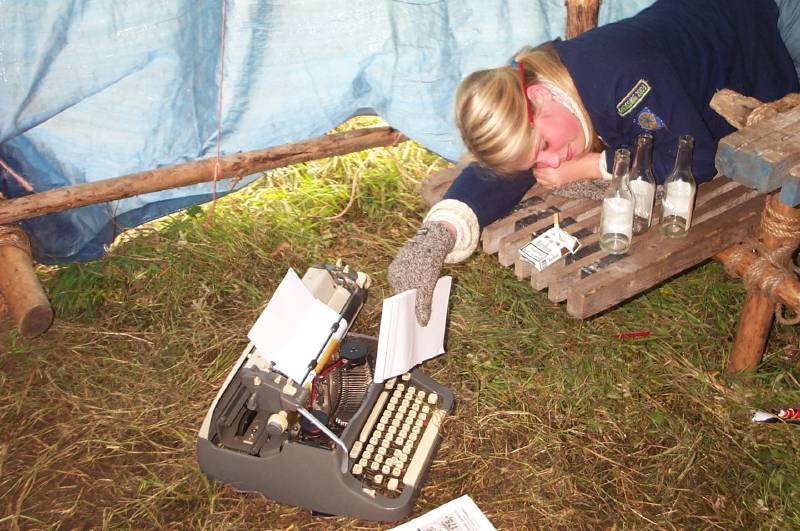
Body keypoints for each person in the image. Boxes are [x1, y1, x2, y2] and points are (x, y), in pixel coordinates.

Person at [388, 0, 800, 326]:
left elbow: (695, 157)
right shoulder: (537, 81)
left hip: (771, 25)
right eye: (538, 157)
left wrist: (593, 166)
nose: (550, 162)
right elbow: (509, 164)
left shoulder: (620, 78)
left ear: (538, 98)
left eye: (545, 146)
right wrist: (440, 232)